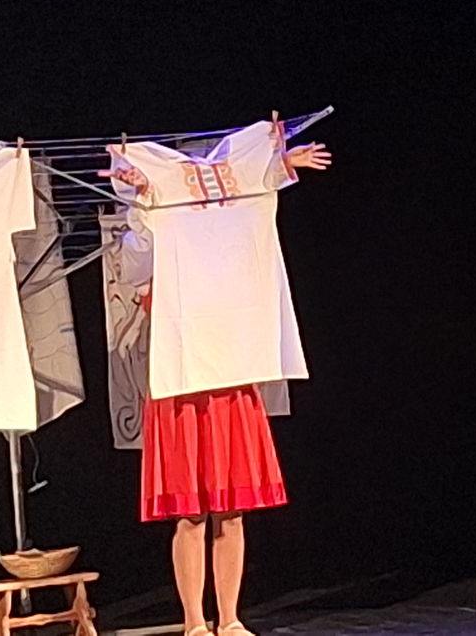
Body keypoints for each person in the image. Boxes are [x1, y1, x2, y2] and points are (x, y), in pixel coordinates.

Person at [107, 129, 331, 636]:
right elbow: (138, 265)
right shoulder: (152, 237)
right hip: (182, 385)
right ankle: (194, 621)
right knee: (189, 515)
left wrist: (277, 166)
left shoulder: (228, 242)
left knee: (231, 512)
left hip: (231, 380)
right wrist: (140, 201)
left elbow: (251, 207)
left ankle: (228, 618)